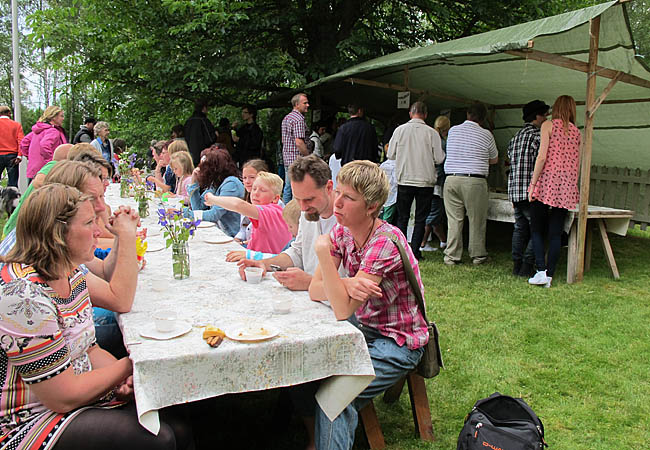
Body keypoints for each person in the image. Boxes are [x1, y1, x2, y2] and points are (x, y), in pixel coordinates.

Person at [0, 183, 190, 450]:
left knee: (178, 426)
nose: (99, 231)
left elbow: (89, 348)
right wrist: (129, 366)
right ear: (57, 233)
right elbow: (63, 397)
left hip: (74, 395)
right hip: (26, 419)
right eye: (89, 223)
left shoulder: (71, 272)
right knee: (160, 439)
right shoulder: (23, 297)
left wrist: (121, 381)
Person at [307, 160, 428, 450]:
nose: (337, 203)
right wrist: (347, 283)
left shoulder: (384, 243)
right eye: (338, 192)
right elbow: (314, 290)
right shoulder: (344, 231)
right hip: (366, 327)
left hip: (398, 341)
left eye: (348, 198)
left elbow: (342, 309)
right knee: (312, 358)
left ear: (372, 207)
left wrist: (323, 253)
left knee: (335, 400)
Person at [237, 154, 340, 291]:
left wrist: (310, 282)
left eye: (309, 199)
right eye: (297, 199)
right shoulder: (307, 211)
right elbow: (298, 252)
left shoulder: (347, 218)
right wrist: (263, 264)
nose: (302, 207)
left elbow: (357, 283)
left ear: (329, 187)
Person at [527, 95, 581, 288]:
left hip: (547, 181)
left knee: (536, 228)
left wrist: (533, 183)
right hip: (566, 185)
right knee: (556, 232)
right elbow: (577, 164)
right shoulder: (577, 132)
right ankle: (550, 275)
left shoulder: (548, 125)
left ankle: (540, 270)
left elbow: (542, 157)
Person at [387, 101, 445, 259]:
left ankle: (400, 251)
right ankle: (415, 251)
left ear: (410, 113)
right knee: (421, 218)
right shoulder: (432, 133)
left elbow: (390, 154)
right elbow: (439, 158)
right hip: (425, 180)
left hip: (405, 179)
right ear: (425, 114)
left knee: (402, 217)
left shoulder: (400, 130)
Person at [443, 102, 498, 265]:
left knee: (454, 220)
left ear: (468, 114)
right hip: (474, 180)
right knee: (476, 220)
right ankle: (478, 255)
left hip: (451, 178)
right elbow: (494, 159)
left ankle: (451, 256)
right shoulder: (486, 134)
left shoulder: (453, 131)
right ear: (483, 118)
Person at [507, 100, 550, 277]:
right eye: (545, 115)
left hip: (515, 190)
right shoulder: (538, 136)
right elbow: (543, 161)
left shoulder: (516, 137)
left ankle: (516, 265)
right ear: (537, 116)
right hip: (532, 191)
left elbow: (510, 161)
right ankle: (527, 265)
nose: (547, 119)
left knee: (520, 228)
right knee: (539, 229)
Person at [205, 171, 292, 254]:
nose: (256, 193)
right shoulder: (275, 211)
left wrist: (213, 199)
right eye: (254, 189)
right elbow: (267, 239)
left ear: (275, 198)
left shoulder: (271, 211)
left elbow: (238, 205)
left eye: (262, 190)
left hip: (265, 261)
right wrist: (243, 243)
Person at [186, 148, 244, 237]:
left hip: (232, 235)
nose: (200, 170)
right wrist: (194, 182)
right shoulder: (215, 183)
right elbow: (198, 208)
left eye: (204, 167)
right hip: (219, 233)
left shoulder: (231, 184)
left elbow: (214, 215)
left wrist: (186, 213)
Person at [226, 199, 301, 262]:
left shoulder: (271, 212)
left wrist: (250, 255)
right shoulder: (294, 240)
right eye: (254, 189)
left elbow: (283, 259)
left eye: (291, 226)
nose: (289, 230)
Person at [421, 115, 451, 252]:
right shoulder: (443, 143)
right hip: (438, 183)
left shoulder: (428, 139)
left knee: (435, 214)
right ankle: (422, 243)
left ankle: (443, 241)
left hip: (426, 180)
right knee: (434, 213)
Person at [24, 105, 67, 181]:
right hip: (47, 171)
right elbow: (44, 145)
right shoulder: (53, 131)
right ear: (54, 117)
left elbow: (24, 143)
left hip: (33, 169)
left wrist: (31, 156)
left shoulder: (37, 131)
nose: (63, 119)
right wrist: (51, 162)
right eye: (61, 116)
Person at [281, 93, 310, 203]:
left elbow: (284, 140)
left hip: (287, 158)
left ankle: (285, 210)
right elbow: (299, 142)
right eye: (305, 103)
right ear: (296, 104)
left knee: (288, 188)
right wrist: (308, 157)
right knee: (297, 188)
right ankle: (295, 211)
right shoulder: (298, 119)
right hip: (297, 159)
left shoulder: (287, 118)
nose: (307, 105)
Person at [235, 159, 269, 246]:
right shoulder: (248, 199)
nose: (247, 181)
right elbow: (244, 228)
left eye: (252, 177)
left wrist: (243, 244)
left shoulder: (272, 202)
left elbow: (266, 237)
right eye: (244, 178)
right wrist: (236, 239)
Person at [184, 99, 216, 166]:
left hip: (189, 156)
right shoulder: (204, 121)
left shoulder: (188, 122)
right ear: (204, 108)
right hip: (202, 156)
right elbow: (210, 139)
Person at [0, 105, 24, 187]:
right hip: (12, 156)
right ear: (9, 113)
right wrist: (19, 155)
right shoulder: (16, 125)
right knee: (13, 182)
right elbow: (21, 141)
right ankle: (11, 194)